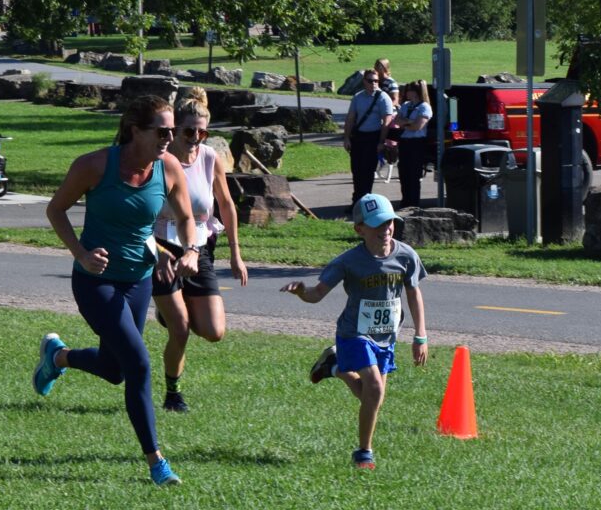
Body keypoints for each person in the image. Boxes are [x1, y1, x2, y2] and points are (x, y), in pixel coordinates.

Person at [32, 95, 199, 487]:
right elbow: (55, 209)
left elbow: (187, 217)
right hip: (95, 282)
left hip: (139, 280)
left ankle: (59, 357)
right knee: (139, 364)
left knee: (114, 369)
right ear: (135, 130)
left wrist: (190, 249)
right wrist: (81, 253)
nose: (169, 138)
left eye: (172, 131)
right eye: (162, 131)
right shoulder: (94, 165)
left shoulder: (169, 167)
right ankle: (157, 461)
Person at [280, 193, 428, 469]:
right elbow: (318, 293)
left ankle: (335, 367)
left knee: (373, 396)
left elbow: (414, 294)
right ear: (359, 229)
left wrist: (420, 336)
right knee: (373, 389)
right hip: (354, 333)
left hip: (386, 335)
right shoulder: (348, 261)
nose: (385, 230)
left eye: (389, 223)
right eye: (376, 225)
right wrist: (302, 292)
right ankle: (364, 453)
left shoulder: (406, 256)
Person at [152, 87, 248, 413]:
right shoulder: (159, 162)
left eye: (202, 131)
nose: (195, 137)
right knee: (180, 328)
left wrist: (235, 252)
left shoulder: (209, 158)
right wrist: (160, 251)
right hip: (162, 248)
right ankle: (172, 394)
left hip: (200, 248)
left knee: (213, 330)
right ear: (175, 129)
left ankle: (169, 310)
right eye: (189, 130)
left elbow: (226, 205)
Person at [343, 69, 394, 215]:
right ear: (364, 81)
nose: (374, 84)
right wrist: (346, 137)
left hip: (374, 138)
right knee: (357, 171)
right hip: (359, 138)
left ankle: (365, 204)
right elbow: (351, 118)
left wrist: (381, 142)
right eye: (370, 81)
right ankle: (356, 202)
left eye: (376, 81)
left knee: (367, 172)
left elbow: (387, 122)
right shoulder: (358, 97)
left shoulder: (383, 97)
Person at [394, 80, 433, 208]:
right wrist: (408, 122)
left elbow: (418, 126)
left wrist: (406, 123)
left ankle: (413, 203)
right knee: (403, 173)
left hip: (417, 144)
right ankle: (405, 201)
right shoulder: (405, 105)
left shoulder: (424, 107)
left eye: (409, 90)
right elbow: (397, 121)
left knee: (413, 175)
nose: (406, 93)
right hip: (404, 142)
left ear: (416, 92)